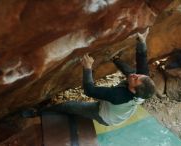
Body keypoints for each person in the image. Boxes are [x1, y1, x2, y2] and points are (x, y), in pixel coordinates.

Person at [23, 28, 156, 126]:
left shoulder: (119, 95)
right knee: (131, 72)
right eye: (139, 76)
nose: (135, 75)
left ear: (133, 90)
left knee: (68, 106)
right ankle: (115, 59)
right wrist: (142, 41)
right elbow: (142, 60)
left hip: (105, 116)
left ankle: (37, 113)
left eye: (136, 79)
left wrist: (87, 68)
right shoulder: (144, 83)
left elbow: (89, 91)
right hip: (118, 106)